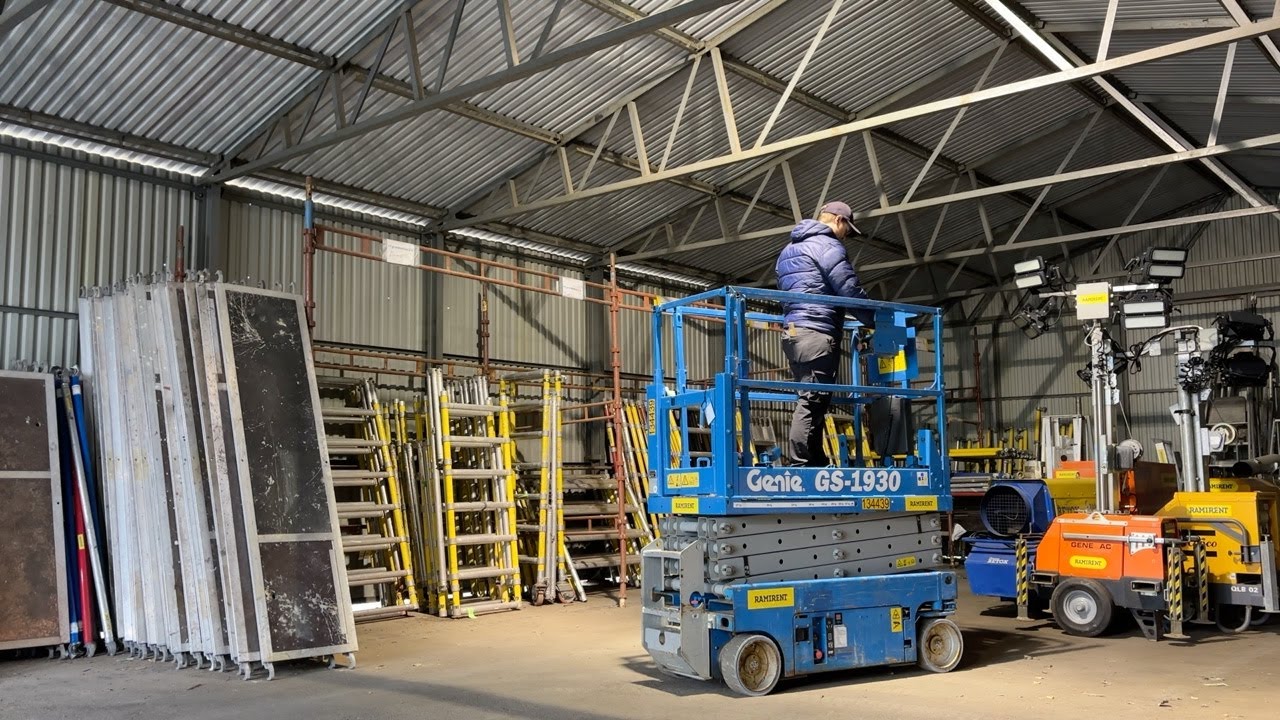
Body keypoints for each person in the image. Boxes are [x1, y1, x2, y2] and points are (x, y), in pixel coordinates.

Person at [774, 201, 875, 467]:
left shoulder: (788, 249)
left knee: (813, 396)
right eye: (847, 230)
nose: (845, 236)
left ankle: (816, 460)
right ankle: (801, 463)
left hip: (793, 332)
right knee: (813, 400)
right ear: (839, 221)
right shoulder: (828, 246)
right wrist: (874, 319)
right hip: (817, 331)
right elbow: (848, 288)